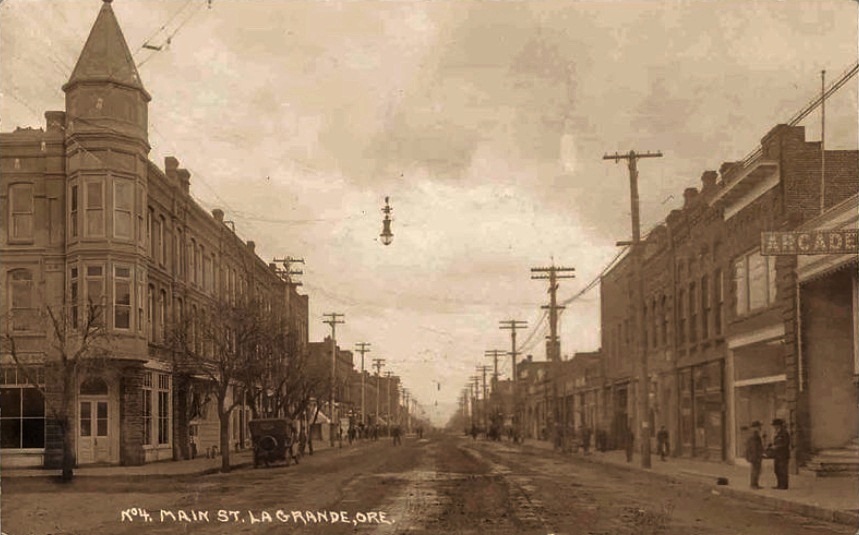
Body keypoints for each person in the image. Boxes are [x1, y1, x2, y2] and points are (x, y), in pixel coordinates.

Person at [769, 418, 791, 489]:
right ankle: (779, 484)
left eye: (775, 425)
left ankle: (784, 485)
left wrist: (777, 447)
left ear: (779, 425)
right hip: (777, 455)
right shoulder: (777, 433)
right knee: (777, 470)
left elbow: (785, 443)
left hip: (783, 455)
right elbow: (776, 442)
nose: (774, 427)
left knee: (783, 470)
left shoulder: (784, 433)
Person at [744, 421, 764, 489]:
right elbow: (754, 447)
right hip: (755, 455)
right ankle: (753, 484)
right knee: (755, 470)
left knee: (756, 470)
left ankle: (755, 484)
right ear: (755, 427)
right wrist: (757, 455)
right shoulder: (754, 435)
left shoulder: (755, 434)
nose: (760, 428)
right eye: (759, 426)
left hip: (755, 455)